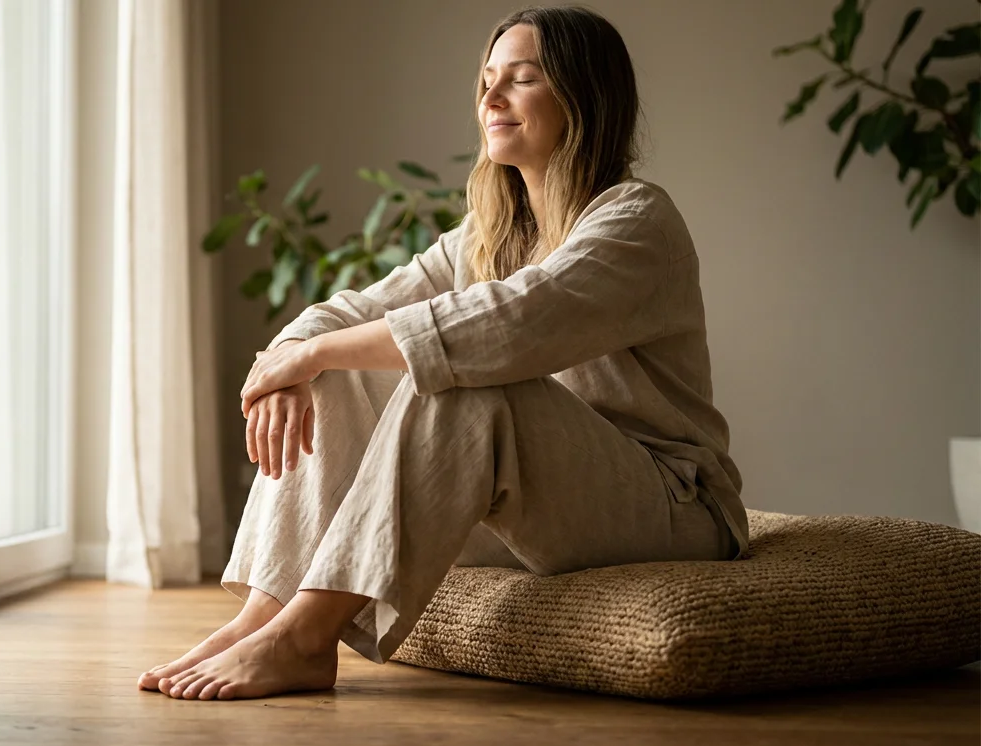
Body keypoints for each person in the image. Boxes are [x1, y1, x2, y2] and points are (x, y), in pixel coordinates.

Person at [138, 5, 748, 702]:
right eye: (488, 80)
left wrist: (311, 356)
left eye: (521, 80)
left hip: (671, 502)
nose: (490, 98)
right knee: (337, 374)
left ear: (585, 98)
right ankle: (264, 616)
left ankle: (306, 638)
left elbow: (506, 326)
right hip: (547, 503)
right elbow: (361, 307)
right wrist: (292, 355)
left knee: (478, 379)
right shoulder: (492, 233)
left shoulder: (637, 221)